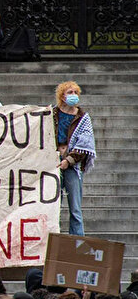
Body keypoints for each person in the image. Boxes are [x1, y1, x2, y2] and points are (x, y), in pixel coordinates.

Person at [52, 80, 95, 235]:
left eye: (76, 92)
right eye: (70, 92)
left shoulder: (83, 118)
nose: (74, 96)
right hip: (54, 163)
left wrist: (69, 160)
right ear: (62, 96)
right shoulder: (53, 114)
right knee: (52, 207)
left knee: (75, 209)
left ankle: (77, 242)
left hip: (73, 166)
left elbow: (85, 144)